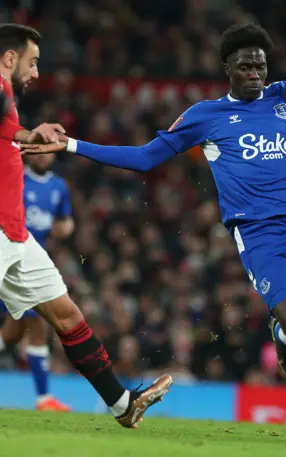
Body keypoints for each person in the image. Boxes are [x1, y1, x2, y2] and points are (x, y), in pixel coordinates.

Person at [22, 23, 286, 440]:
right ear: (227, 67)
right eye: (245, 67)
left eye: (260, 66)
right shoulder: (205, 116)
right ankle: (284, 338)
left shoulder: (285, 95)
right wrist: (73, 145)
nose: (255, 74)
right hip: (260, 238)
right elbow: (144, 158)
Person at [0, 23, 172, 428]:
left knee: (66, 315)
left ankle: (122, 405)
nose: (37, 72)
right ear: (10, 58)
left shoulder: (7, 99)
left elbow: (8, 129)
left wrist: (28, 132)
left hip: (17, 235)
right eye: (33, 62)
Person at [0, 153, 74, 411]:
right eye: (39, 151)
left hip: (35, 264)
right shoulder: (16, 178)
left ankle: (44, 398)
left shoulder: (58, 186)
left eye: (48, 152)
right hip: (11, 262)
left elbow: (65, 222)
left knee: (12, 334)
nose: (43, 156)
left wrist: (64, 228)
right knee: (37, 325)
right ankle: (44, 398)